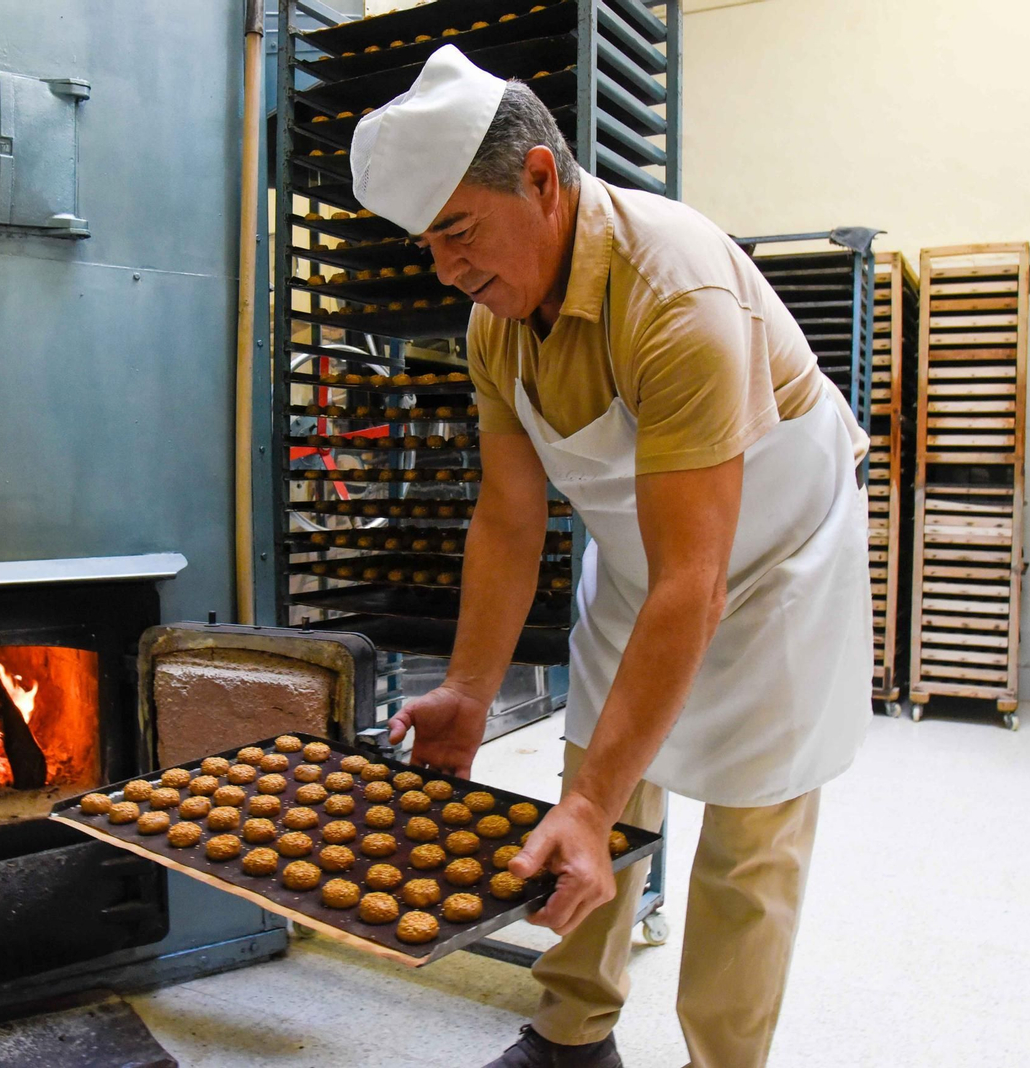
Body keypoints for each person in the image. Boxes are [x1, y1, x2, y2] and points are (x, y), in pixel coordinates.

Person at [349, 45, 871, 1068]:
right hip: (649, 558)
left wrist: (589, 809)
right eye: (429, 244)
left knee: (749, 835)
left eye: (459, 231)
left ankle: (723, 1060)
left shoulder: (674, 296)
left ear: (541, 178)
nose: (446, 268)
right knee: (593, 784)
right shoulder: (497, 325)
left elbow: (698, 580)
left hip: (777, 562)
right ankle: (573, 1035)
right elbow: (509, 518)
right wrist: (469, 688)